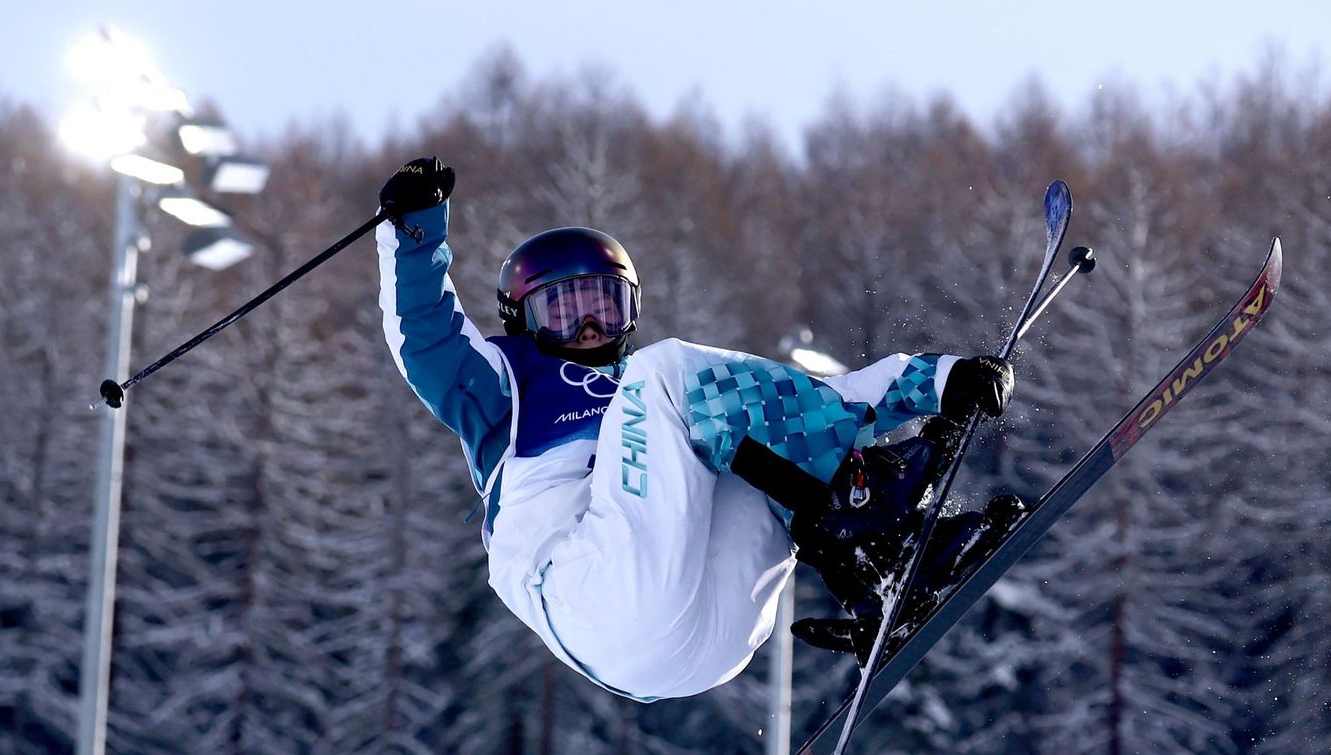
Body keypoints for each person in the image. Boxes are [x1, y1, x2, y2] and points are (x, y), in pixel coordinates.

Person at [375, 157, 1023, 702]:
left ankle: (879, 568)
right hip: (592, 594)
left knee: (755, 439)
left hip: (716, 635)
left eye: (604, 303)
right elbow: (428, 340)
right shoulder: (506, 376)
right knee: (674, 378)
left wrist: (938, 382)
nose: (591, 327)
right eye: (564, 310)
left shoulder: (656, 403)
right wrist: (414, 230)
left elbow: (806, 408)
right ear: (522, 317)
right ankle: (873, 513)